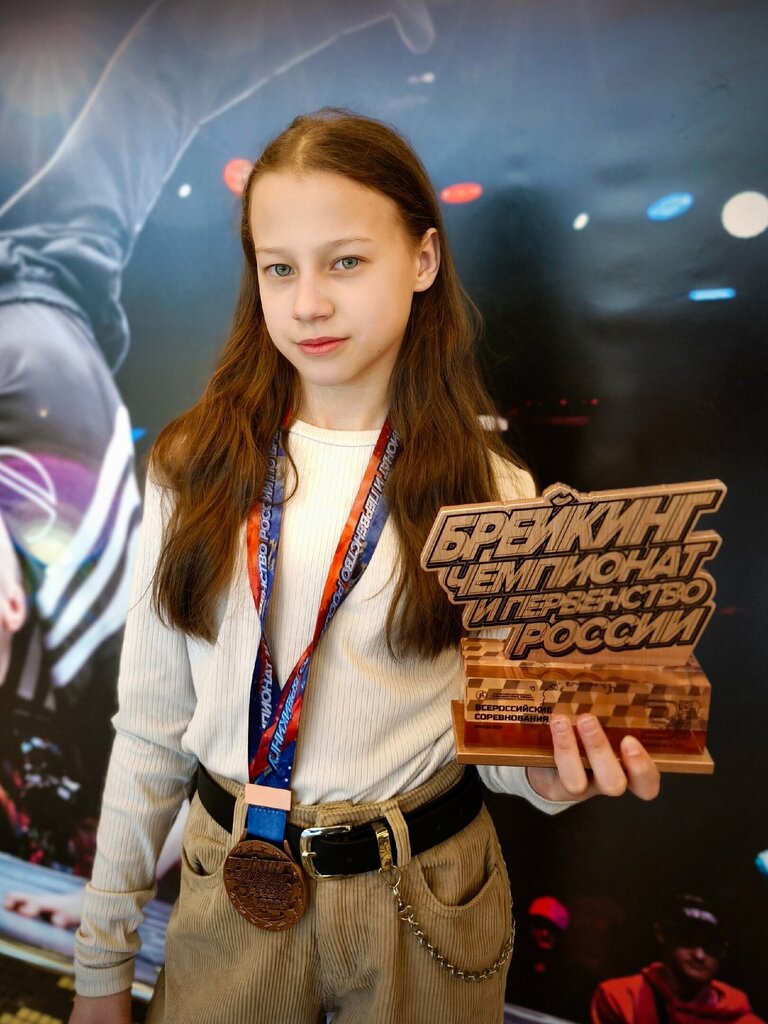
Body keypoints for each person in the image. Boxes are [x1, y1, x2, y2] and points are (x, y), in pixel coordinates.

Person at [69, 108, 660, 1024]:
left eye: (345, 261)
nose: (308, 302)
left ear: (422, 259)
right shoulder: (193, 465)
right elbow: (150, 731)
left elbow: (496, 733)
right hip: (232, 884)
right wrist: (101, 965)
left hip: (423, 894)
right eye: (280, 268)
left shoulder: (492, 489)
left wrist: (546, 776)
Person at [590, 895, 765, 1024]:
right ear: (662, 935)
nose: (699, 955)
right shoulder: (620, 998)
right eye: (688, 940)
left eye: (712, 946)